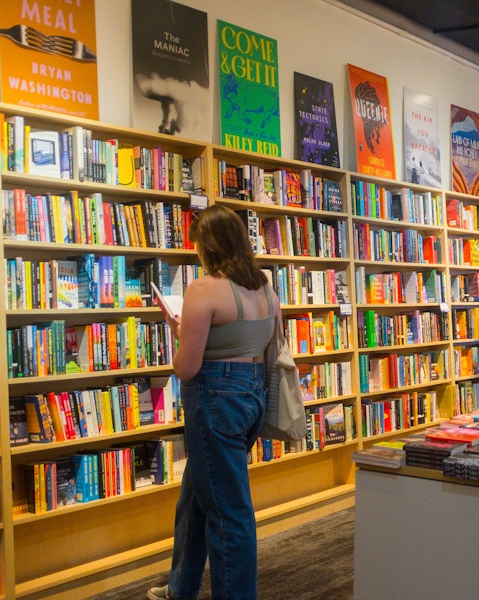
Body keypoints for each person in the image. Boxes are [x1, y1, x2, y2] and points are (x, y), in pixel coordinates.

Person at [148, 205, 280, 600]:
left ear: (207, 246)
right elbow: (273, 344)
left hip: (215, 400)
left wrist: (179, 334)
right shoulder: (266, 289)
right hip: (253, 396)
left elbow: (187, 368)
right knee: (196, 501)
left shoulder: (203, 289)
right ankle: (180, 588)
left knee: (229, 514)